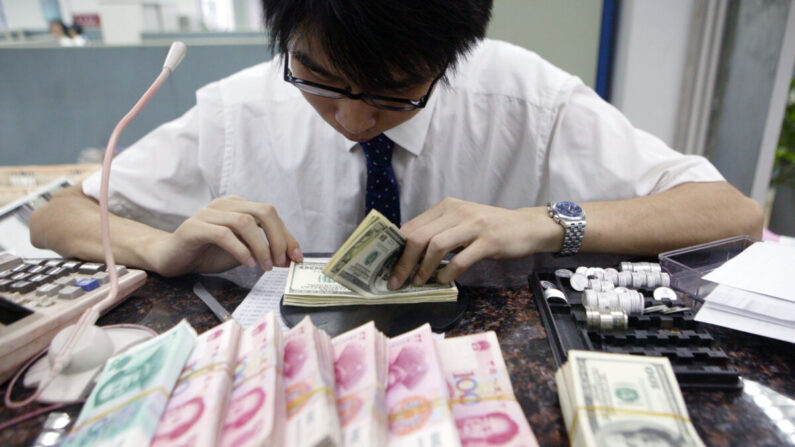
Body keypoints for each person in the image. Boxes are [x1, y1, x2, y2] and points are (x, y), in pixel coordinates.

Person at [30, 0, 762, 289]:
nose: (350, 121)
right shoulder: (237, 107)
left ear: (452, 57)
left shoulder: (526, 98)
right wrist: (159, 247)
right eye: (319, 79)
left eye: (392, 92)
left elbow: (730, 212)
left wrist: (541, 221)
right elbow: (56, 215)